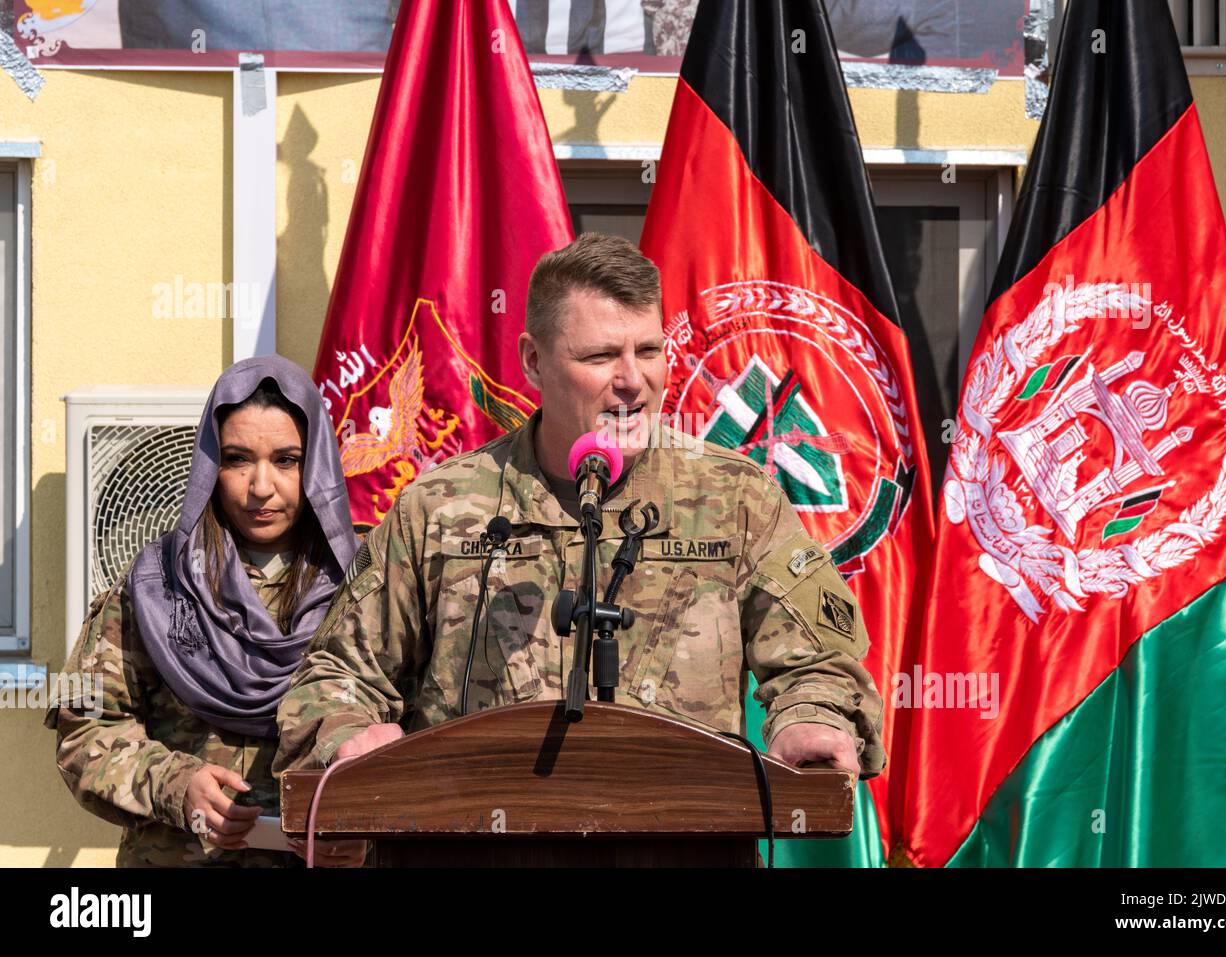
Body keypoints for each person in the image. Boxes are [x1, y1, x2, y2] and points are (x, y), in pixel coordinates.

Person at [274, 233, 886, 780]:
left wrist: (811, 717)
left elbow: (821, 661)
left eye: (648, 352)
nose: (632, 380)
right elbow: (336, 676)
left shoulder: (736, 497)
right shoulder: (437, 506)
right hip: (479, 841)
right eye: (599, 358)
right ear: (533, 362)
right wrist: (347, 735)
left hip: (684, 836)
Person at [45, 356, 367, 867]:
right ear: (208, 465)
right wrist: (176, 785)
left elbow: (415, 730)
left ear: (318, 464)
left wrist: (361, 824)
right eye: (238, 459)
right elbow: (83, 728)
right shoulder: (152, 585)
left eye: (286, 460)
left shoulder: (366, 588)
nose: (262, 487)